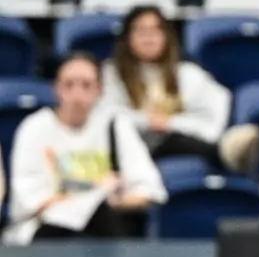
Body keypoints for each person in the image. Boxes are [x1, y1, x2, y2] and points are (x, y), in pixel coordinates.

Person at [3, 53, 166, 244]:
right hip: (47, 230)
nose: (77, 95)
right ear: (56, 89)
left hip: (104, 225)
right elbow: (29, 202)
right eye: (69, 85)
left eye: (86, 85)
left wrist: (115, 201)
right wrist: (95, 190)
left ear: (99, 90)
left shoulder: (114, 125)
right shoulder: (34, 128)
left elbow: (149, 190)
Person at [99, 5, 259, 177]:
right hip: (127, 148)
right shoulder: (110, 74)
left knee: (176, 140)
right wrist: (146, 121)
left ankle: (235, 153)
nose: (149, 38)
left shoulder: (188, 73)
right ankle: (227, 155)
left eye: (155, 30)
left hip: (175, 143)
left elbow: (213, 116)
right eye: (140, 31)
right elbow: (106, 116)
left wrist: (169, 123)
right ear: (127, 38)